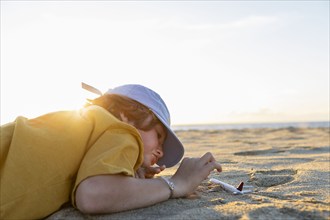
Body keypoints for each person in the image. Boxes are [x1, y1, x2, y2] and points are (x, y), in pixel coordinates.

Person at [0, 83, 222, 219]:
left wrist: (125, 179)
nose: (161, 152)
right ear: (127, 115)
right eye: (159, 137)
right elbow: (92, 196)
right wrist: (177, 184)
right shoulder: (123, 130)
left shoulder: (87, 125)